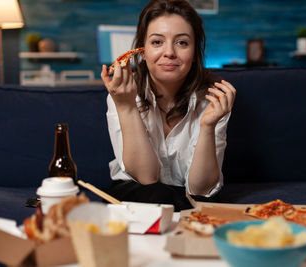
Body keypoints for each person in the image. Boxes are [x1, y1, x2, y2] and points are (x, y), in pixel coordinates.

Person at [101, 0, 236, 211]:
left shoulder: (213, 99)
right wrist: (127, 107)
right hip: (137, 193)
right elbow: (146, 177)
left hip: (190, 196)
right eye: (157, 42)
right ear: (142, 51)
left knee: (202, 201)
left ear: (194, 54)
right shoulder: (123, 92)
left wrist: (208, 126)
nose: (169, 52)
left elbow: (200, 189)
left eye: (182, 42)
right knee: (156, 194)